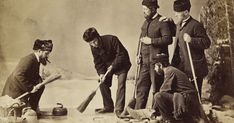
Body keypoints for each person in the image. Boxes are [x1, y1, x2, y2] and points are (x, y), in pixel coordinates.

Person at [83, 27, 131, 116]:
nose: (93, 44)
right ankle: (108, 107)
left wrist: (113, 66)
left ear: (98, 36)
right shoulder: (93, 47)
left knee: (121, 85)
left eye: (94, 41)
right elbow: (97, 62)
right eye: (90, 43)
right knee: (102, 82)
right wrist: (101, 73)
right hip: (108, 66)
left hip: (122, 64)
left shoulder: (112, 39)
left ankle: (119, 109)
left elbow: (122, 54)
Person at [135, 0, 173, 109]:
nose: (143, 12)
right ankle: (139, 111)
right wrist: (138, 55)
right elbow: (141, 40)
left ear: (153, 9)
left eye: (145, 9)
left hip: (158, 61)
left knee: (157, 88)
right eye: (143, 9)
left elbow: (168, 39)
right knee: (141, 87)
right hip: (145, 62)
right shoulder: (145, 22)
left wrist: (151, 41)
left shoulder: (162, 22)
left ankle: (156, 113)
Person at [171, 0, 211, 97]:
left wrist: (191, 40)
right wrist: (169, 21)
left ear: (186, 12)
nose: (175, 15)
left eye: (177, 12)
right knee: (182, 94)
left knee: (194, 95)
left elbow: (206, 43)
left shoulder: (196, 25)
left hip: (194, 67)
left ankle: (196, 112)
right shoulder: (178, 25)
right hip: (181, 67)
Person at [2, 39, 53, 112]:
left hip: (21, 87)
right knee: (18, 113)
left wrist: (40, 81)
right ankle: (30, 109)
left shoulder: (36, 60)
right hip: (14, 90)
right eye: (46, 53)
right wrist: (31, 88)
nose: (47, 56)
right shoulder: (29, 59)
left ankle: (33, 109)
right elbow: (18, 75)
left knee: (40, 87)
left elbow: (33, 75)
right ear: (39, 51)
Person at [153, 53, 201, 123]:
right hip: (189, 98)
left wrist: (153, 110)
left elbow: (163, 91)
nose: (155, 69)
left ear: (160, 65)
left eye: (155, 66)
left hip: (188, 99)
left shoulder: (169, 71)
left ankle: (168, 120)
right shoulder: (172, 69)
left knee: (158, 96)